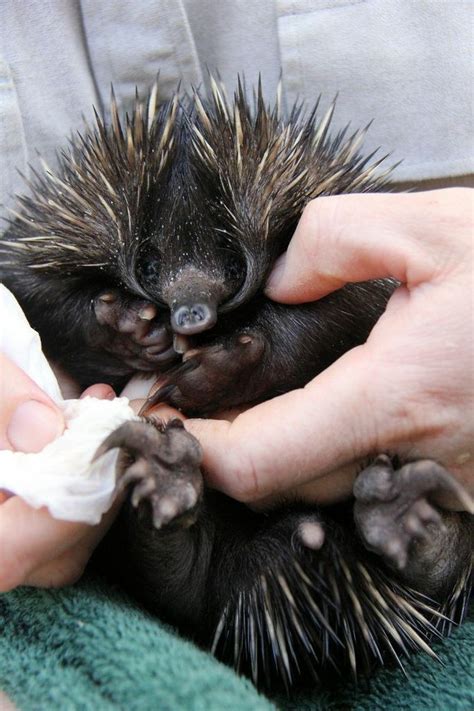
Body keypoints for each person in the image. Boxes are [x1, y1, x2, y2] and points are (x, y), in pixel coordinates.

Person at [0, 1, 472, 591]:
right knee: (179, 550)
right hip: (182, 555)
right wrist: (94, 329)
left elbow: (366, 303)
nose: (190, 307)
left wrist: (261, 349)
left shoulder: (317, 227)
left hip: (404, 466)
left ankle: (428, 547)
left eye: (227, 263)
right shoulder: (76, 242)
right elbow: (34, 292)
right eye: (151, 269)